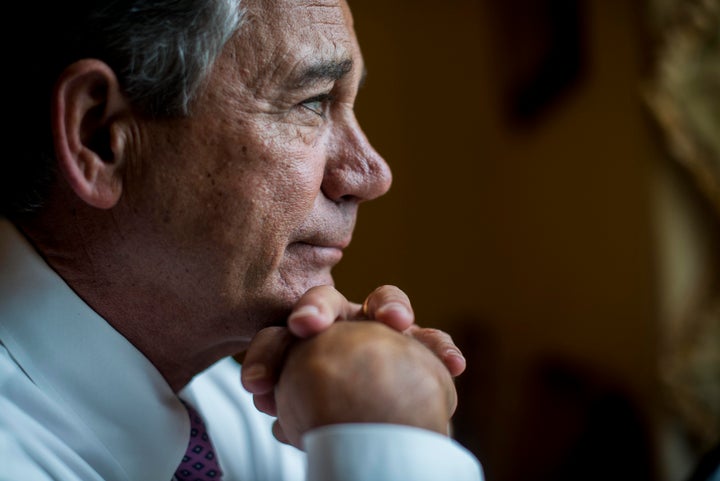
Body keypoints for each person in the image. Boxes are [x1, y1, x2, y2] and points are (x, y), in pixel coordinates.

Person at [0, 0, 484, 480]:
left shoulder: (257, 398)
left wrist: (373, 408)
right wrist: (392, 448)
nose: (373, 174)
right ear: (101, 136)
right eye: (313, 102)